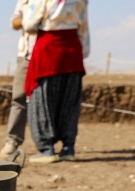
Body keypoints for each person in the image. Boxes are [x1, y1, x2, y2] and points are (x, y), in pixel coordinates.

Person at [23, 0, 89, 163]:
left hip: (48, 50)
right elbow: (84, 28)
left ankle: (46, 149)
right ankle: (68, 148)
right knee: (69, 101)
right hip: (73, 51)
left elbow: (29, 24)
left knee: (42, 101)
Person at [0, 0, 37, 156]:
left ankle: (47, 145)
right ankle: (13, 140)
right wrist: (32, 19)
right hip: (26, 56)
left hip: (49, 56)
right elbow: (15, 22)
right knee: (18, 97)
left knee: (47, 100)